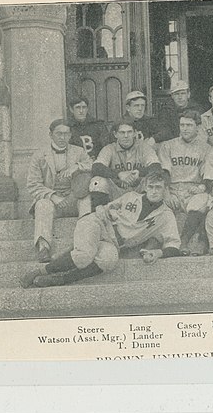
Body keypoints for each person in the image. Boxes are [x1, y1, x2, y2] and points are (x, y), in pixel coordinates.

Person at [20, 171, 182, 288]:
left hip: (115, 242)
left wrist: (157, 253)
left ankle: (60, 279)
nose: (154, 191)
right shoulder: (131, 196)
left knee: (109, 259)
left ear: (165, 190)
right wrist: (107, 211)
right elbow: (103, 209)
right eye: (151, 187)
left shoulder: (166, 216)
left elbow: (174, 244)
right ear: (145, 187)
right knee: (84, 256)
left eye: (158, 188)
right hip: (97, 223)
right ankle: (41, 271)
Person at [26, 119, 93, 263]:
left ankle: (84, 244)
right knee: (42, 204)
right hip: (54, 203)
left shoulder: (79, 152)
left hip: (73, 199)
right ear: (50, 134)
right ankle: (43, 248)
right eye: (59, 134)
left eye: (66, 134)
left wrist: (78, 166)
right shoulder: (39, 155)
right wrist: (53, 196)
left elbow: (93, 166)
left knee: (86, 201)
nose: (63, 138)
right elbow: (32, 184)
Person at [158, 109, 212, 254]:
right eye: (182, 125)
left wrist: (202, 187)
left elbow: (208, 175)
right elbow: (164, 172)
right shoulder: (168, 145)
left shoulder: (206, 148)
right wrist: (166, 192)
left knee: (202, 202)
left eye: (189, 125)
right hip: (172, 189)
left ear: (197, 127)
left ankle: (184, 242)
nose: (185, 129)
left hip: (193, 190)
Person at [89, 119, 162, 208]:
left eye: (129, 132)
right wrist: (119, 174)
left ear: (135, 133)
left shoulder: (144, 147)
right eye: (122, 133)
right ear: (115, 134)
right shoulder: (109, 148)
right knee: (97, 182)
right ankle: (100, 216)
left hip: (138, 190)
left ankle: (147, 215)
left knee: (154, 179)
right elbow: (97, 167)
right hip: (117, 191)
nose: (126, 136)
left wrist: (139, 173)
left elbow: (156, 167)